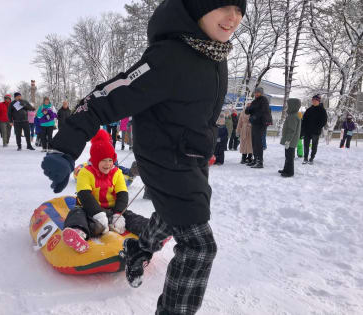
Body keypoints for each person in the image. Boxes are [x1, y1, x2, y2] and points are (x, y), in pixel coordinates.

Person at [41, 1, 245, 314]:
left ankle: (138, 250)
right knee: (199, 247)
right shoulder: (170, 56)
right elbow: (105, 98)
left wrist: (204, 147)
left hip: (191, 160)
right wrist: (64, 147)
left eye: (240, 10)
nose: (234, 18)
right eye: (223, 6)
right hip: (164, 162)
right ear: (197, 8)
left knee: (168, 216)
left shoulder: (215, 55)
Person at [62, 130, 149, 253]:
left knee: (129, 216)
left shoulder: (117, 173)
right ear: (96, 160)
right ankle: (77, 232)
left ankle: (150, 230)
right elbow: (84, 195)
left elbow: (122, 193)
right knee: (77, 213)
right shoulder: (86, 173)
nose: (108, 164)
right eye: (103, 160)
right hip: (90, 210)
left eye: (110, 160)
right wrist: (97, 213)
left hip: (112, 209)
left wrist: (118, 213)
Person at [245, 87, 271, 168]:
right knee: (254, 142)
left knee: (258, 143)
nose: (256, 94)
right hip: (255, 124)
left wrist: (255, 116)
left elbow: (262, 111)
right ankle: (255, 159)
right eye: (255, 92)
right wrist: (249, 108)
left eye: (258, 92)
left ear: (261, 93)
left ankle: (260, 162)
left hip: (261, 123)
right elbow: (248, 111)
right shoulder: (255, 101)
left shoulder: (264, 100)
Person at [301, 94, 327, 165]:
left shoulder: (322, 110)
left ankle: (311, 158)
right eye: (313, 100)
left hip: (315, 132)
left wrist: (317, 128)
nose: (314, 101)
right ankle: (305, 158)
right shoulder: (309, 110)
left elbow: (324, 121)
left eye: (315, 100)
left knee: (314, 145)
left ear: (318, 101)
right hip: (307, 131)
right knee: (306, 145)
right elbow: (304, 120)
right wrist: (303, 130)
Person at [278, 99, 301, 177]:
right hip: (290, 141)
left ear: (293, 106)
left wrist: (288, 140)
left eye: (289, 105)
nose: (287, 107)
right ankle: (286, 169)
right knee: (287, 156)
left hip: (290, 141)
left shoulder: (293, 117)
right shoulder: (292, 115)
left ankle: (290, 172)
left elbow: (292, 130)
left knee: (290, 157)